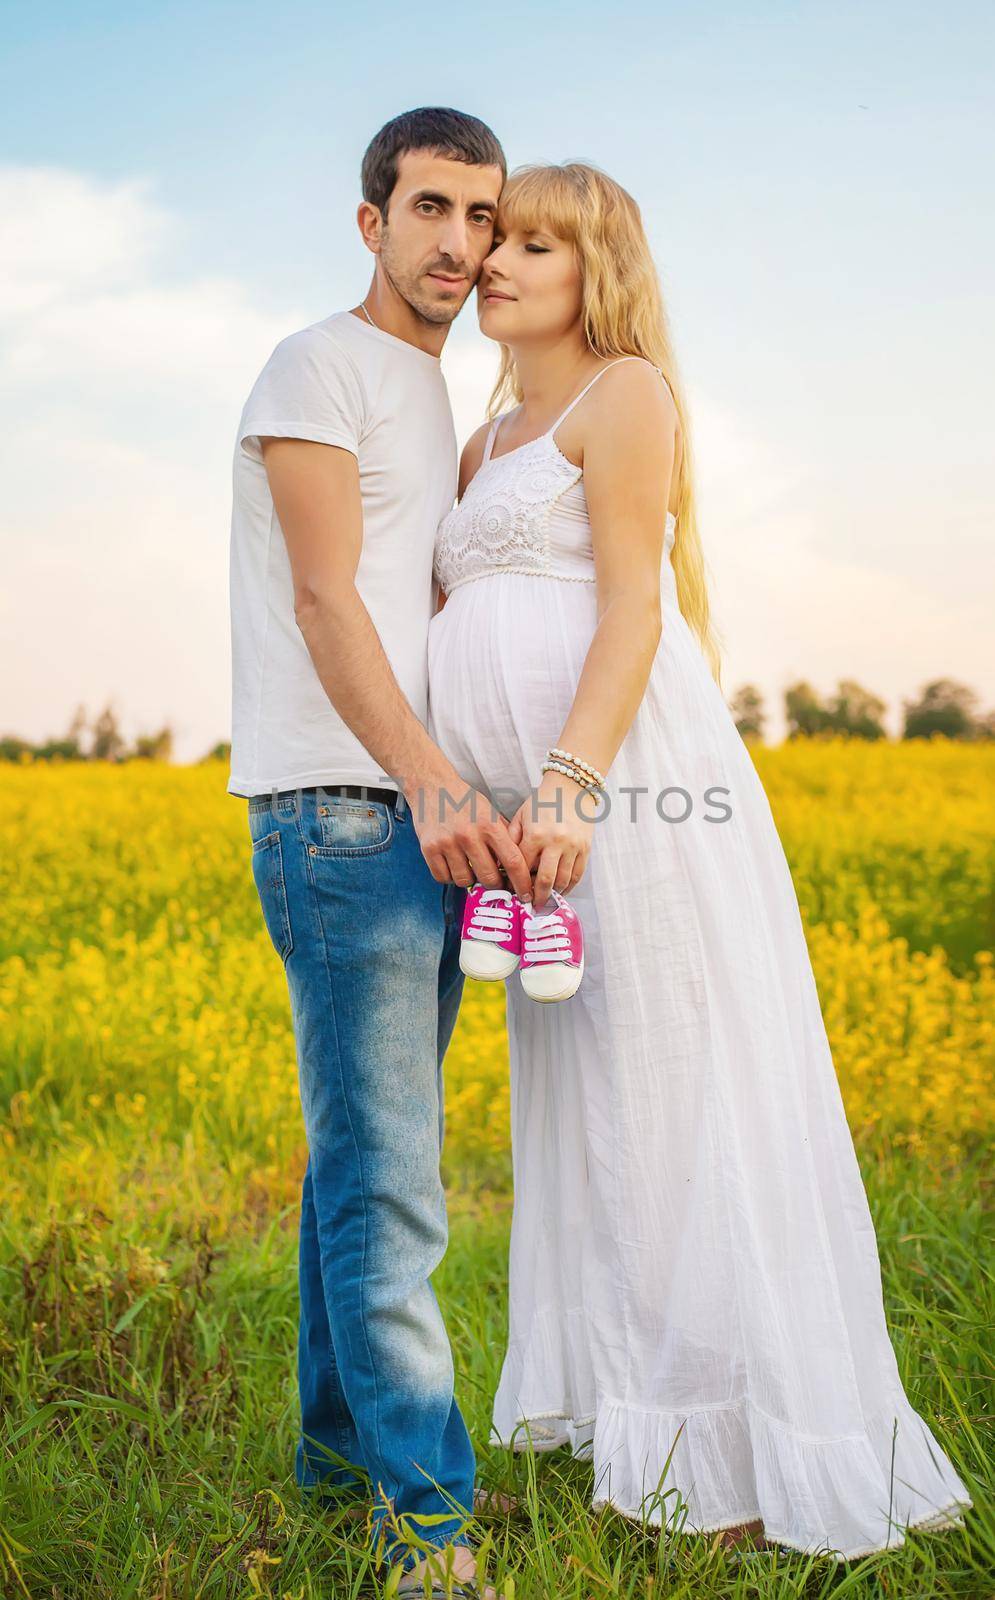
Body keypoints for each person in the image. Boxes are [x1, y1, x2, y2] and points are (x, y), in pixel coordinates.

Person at [426, 160, 974, 1561]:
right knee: (595, 1118)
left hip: (622, 796)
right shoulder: (484, 441)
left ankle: (739, 1471)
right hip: (526, 841)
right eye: (497, 238)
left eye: (533, 244)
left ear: (593, 269)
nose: (497, 262)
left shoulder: (627, 396)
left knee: (680, 1103)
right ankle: (645, 1435)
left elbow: (628, 613)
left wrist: (567, 780)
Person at [228, 107, 530, 1598]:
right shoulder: (318, 366)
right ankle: (432, 1535)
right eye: (430, 209)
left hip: (415, 816)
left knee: (363, 1174)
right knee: (397, 1190)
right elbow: (329, 602)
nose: (458, 245)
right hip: (347, 815)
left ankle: (338, 1472)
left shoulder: (437, 390)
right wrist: (430, 786)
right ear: (371, 221)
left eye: (481, 217)